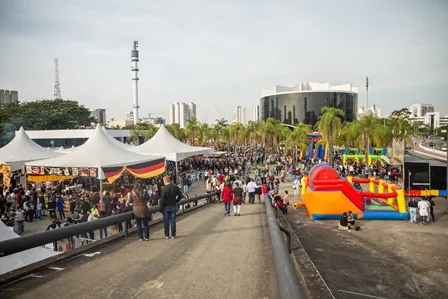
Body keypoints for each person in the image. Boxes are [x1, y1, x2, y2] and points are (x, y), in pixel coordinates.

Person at [159, 175, 183, 239]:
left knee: (166, 221)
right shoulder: (175, 187)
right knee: (173, 221)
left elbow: (162, 200)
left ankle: (167, 235)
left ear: (165, 181)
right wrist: (176, 201)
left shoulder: (163, 189)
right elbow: (180, 195)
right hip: (173, 205)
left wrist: (160, 209)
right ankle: (173, 234)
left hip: (166, 207)